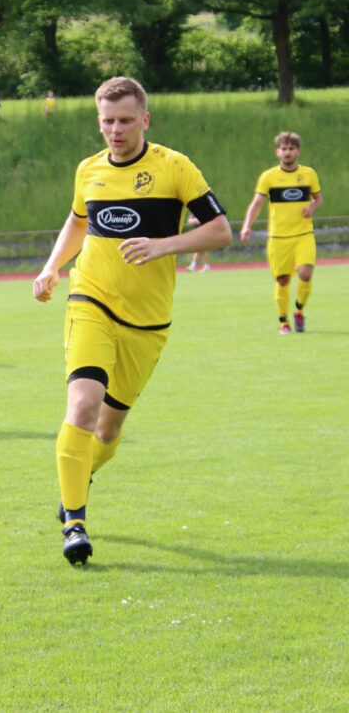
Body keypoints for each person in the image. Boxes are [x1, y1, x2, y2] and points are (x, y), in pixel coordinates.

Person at [32, 76, 231, 565]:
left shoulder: (175, 168)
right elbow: (78, 220)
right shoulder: (89, 169)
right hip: (91, 300)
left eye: (125, 120)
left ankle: (79, 476)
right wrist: (52, 266)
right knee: (83, 405)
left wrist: (164, 245)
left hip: (148, 322)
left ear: (145, 119)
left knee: (107, 431)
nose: (115, 130)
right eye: (107, 121)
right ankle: (75, 523)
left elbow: (221, 231)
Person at [239, 131, 323, 334]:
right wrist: (247, 225)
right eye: (284, 148)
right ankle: (284, 322)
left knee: (305, 273)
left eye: (291, 148)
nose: (287, 152)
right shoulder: (268, 177)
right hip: (278, 237)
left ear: (298, 151)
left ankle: (299, 310)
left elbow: (318, 199)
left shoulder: (309, 174)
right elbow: (257, 203)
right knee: (282, 280)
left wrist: (312, 208)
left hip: (303, 234)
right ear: (278, 152)